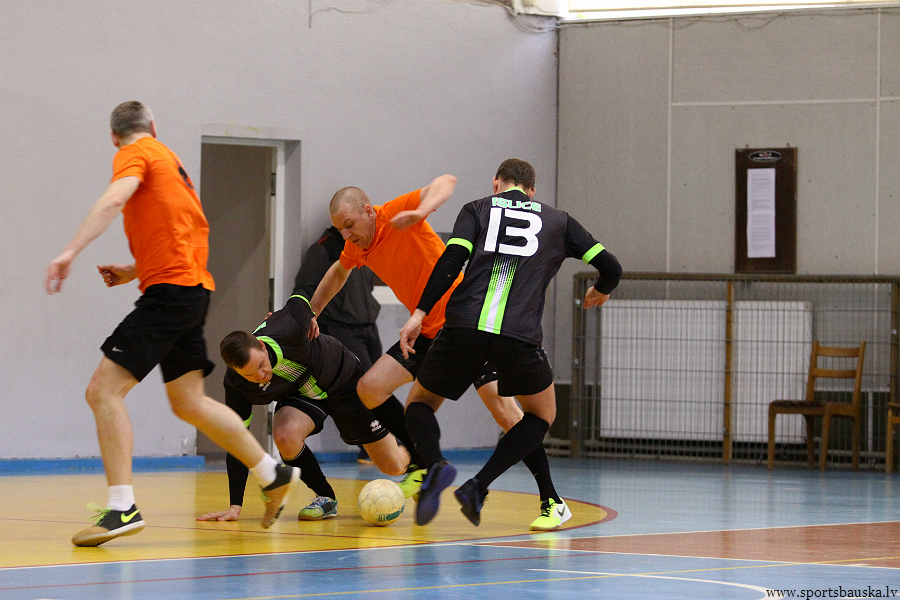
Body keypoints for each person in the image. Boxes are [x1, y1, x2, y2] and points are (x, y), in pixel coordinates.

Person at [44, 101, 298, 547]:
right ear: (154, 127)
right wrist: (134, 269)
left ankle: (122, 507)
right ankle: (270, 472)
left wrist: (70, 251)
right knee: (189, 403)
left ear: (114, 137)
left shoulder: (134, 153)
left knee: (103, 392)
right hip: (191, 290)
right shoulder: (170, 161)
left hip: (170, 296)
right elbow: (183, 234)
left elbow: (114, 198)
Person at [310, 174, 571, 530]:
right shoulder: (358, 246)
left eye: (349, 224)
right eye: (340, 229)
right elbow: (337, 273)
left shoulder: (396, 214)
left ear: (368, 212)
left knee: (507, 413)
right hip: (424, 333)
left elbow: (446, 181)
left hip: (465, 325)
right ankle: (423, 465)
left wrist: (422, 211)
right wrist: (312, 311)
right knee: (370, 388)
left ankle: (551, 499)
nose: (346, 234)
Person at [397, 158, 622, 527]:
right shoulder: (558, 221)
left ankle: (435, 465)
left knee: (419, 404)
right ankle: (478, 486)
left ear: (496, 183)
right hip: (518, 335)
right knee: (539, 416)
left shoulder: (477, 209)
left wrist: (419, 314)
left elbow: (451, 260)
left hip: (465, 327)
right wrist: (601, 289)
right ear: (532, 191)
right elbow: (612, 267)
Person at [198, 294, 414, 523]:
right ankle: (326, 498)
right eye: (250, 375)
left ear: (261, 345)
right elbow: (236, 441)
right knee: (285, 436)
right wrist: (235, 505)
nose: (261, 375)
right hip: (303, 394)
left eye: (261, 365)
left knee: (393, 466)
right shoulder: (236, 385)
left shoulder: (286, 326)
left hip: (344, 381)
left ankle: (419, 461)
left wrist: (312, 313)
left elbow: (303, 296)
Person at [292, 225, 387, 465]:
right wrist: (306, 319)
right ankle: (370, 447)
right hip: (342, 327)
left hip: (368, 325)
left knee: (380, 384)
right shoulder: (324, 248)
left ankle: (383, 442)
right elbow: (304, 287)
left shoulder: (361, 247)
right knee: (362, 386)